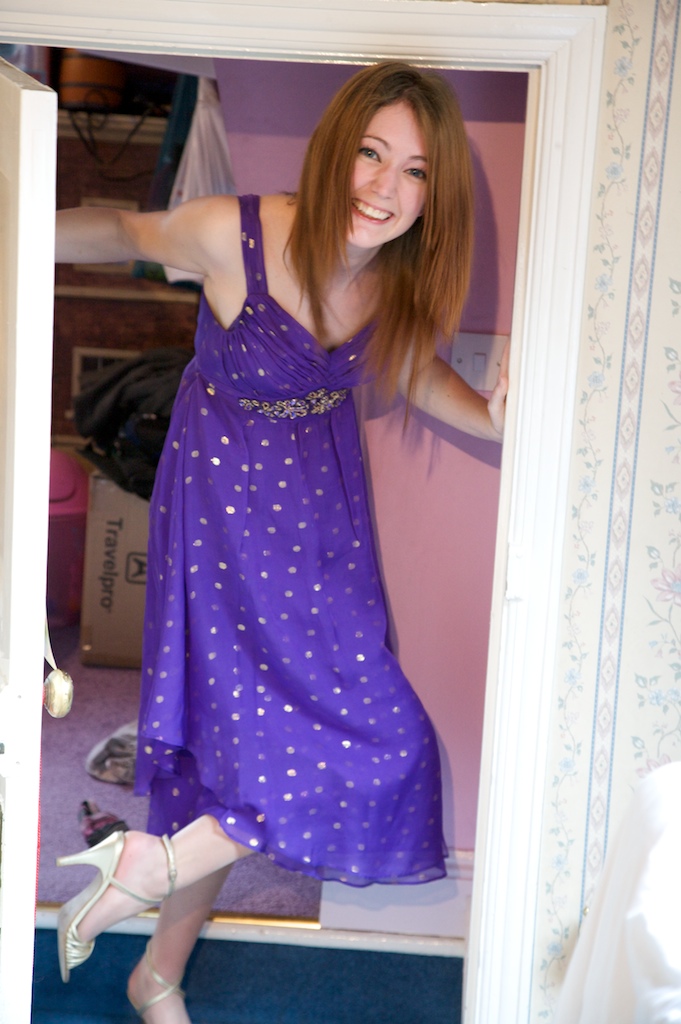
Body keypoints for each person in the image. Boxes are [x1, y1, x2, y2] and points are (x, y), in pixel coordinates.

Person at [54, 61, 508, 1022]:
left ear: (435, 196)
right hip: (218, 514)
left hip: (321, 525)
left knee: (385, 741)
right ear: (339, 145)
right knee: (224, 758)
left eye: (416, 173)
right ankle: (161, 971)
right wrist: (21, 229)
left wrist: (498, 420)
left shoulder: (391, 280)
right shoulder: (235, 233)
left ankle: (152, 913)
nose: (385, 189)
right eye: (373, 155)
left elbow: (416, 375)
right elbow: (129, 232)